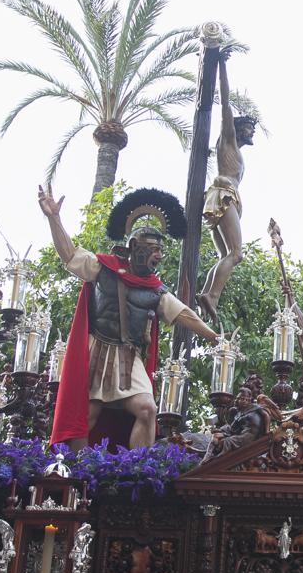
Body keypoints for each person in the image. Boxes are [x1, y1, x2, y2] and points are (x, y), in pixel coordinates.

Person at [40, 183, 218, 449]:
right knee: (85, 416)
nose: (158, 254)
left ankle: (135, 471)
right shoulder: (103, 268)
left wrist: (213, 336)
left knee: (147, 409)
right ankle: (74, 476)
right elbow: (69, 255)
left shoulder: (155, 290)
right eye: (153, 248)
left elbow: (184, 313)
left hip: (128, 356)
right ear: (134, 246)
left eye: (161, 249)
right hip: (96, 350)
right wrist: (54, 218)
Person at [197, 57, 257, 321]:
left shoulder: (235, 150)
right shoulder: (228, 140)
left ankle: (206, 295)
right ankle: (212, 296)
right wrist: (221, 64)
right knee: (236, 254)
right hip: (223, 195)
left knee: (225, 254)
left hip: (225, 196)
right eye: (250, 128)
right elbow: (225, 102)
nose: (252, 132)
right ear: (239, 128)